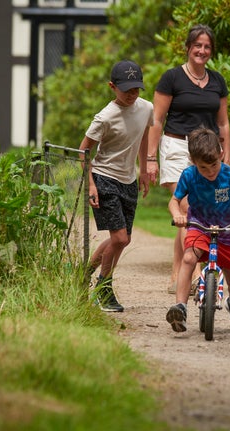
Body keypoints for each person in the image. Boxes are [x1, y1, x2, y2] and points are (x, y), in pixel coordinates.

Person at [145, 24, 230, 294]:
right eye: (198, 45)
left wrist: (225, 158)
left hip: (207, 151)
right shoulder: (171, 78)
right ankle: (195, 273)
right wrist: (150, 158)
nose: (202, 51)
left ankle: (176, 275)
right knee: (187, 208)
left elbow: (224, 123)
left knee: (190, 213)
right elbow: (156, 120)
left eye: (207, 47)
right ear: (188, 47)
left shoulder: (217, 81)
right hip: (176, 147)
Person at [165, 127, 230, 333]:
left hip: (228, 232)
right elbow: (174, 201)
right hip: (199, 227)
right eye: (203, 167)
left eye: (213, 165)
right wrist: (177, 215)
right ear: (193, 162)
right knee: (189, 259)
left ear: (221, 154)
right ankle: (180, 307)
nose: (210, 172)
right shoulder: (189, 175)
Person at [79, 60, 154, 312]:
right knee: (119, 238)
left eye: (136, 89)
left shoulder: (146, 108)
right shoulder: (104, 117)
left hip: (128, 179)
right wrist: (90, 184)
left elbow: (144, 135)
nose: (132, 95)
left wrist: (144, 169)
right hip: (104, 177)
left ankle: (84, 274)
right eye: (126, 90)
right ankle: (103, 287)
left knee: (123, 239)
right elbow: (83, 151)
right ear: (112, 87)